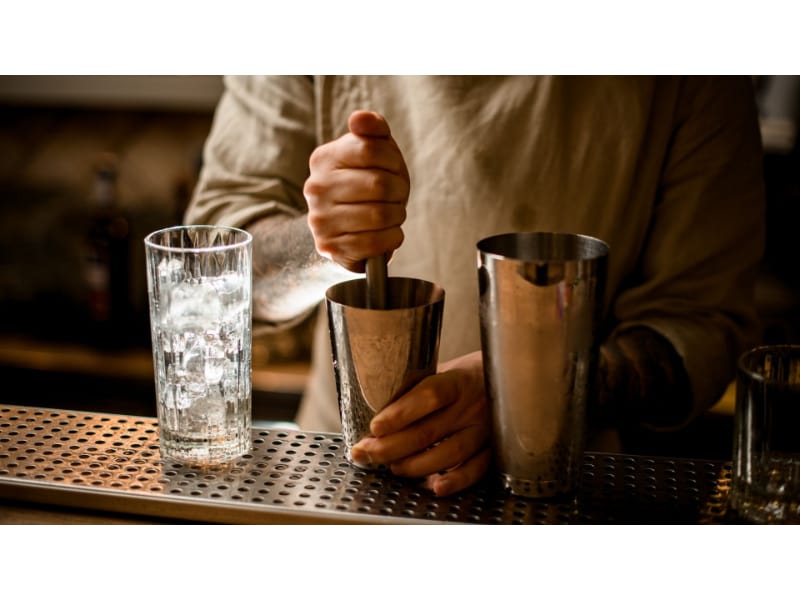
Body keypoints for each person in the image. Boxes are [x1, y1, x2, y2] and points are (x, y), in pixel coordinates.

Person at [185, 76, 766, 497]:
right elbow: (211, 277)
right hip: (339, 480)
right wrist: (324, 245)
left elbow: (701, 327)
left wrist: (526, 394)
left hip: (562, 496)